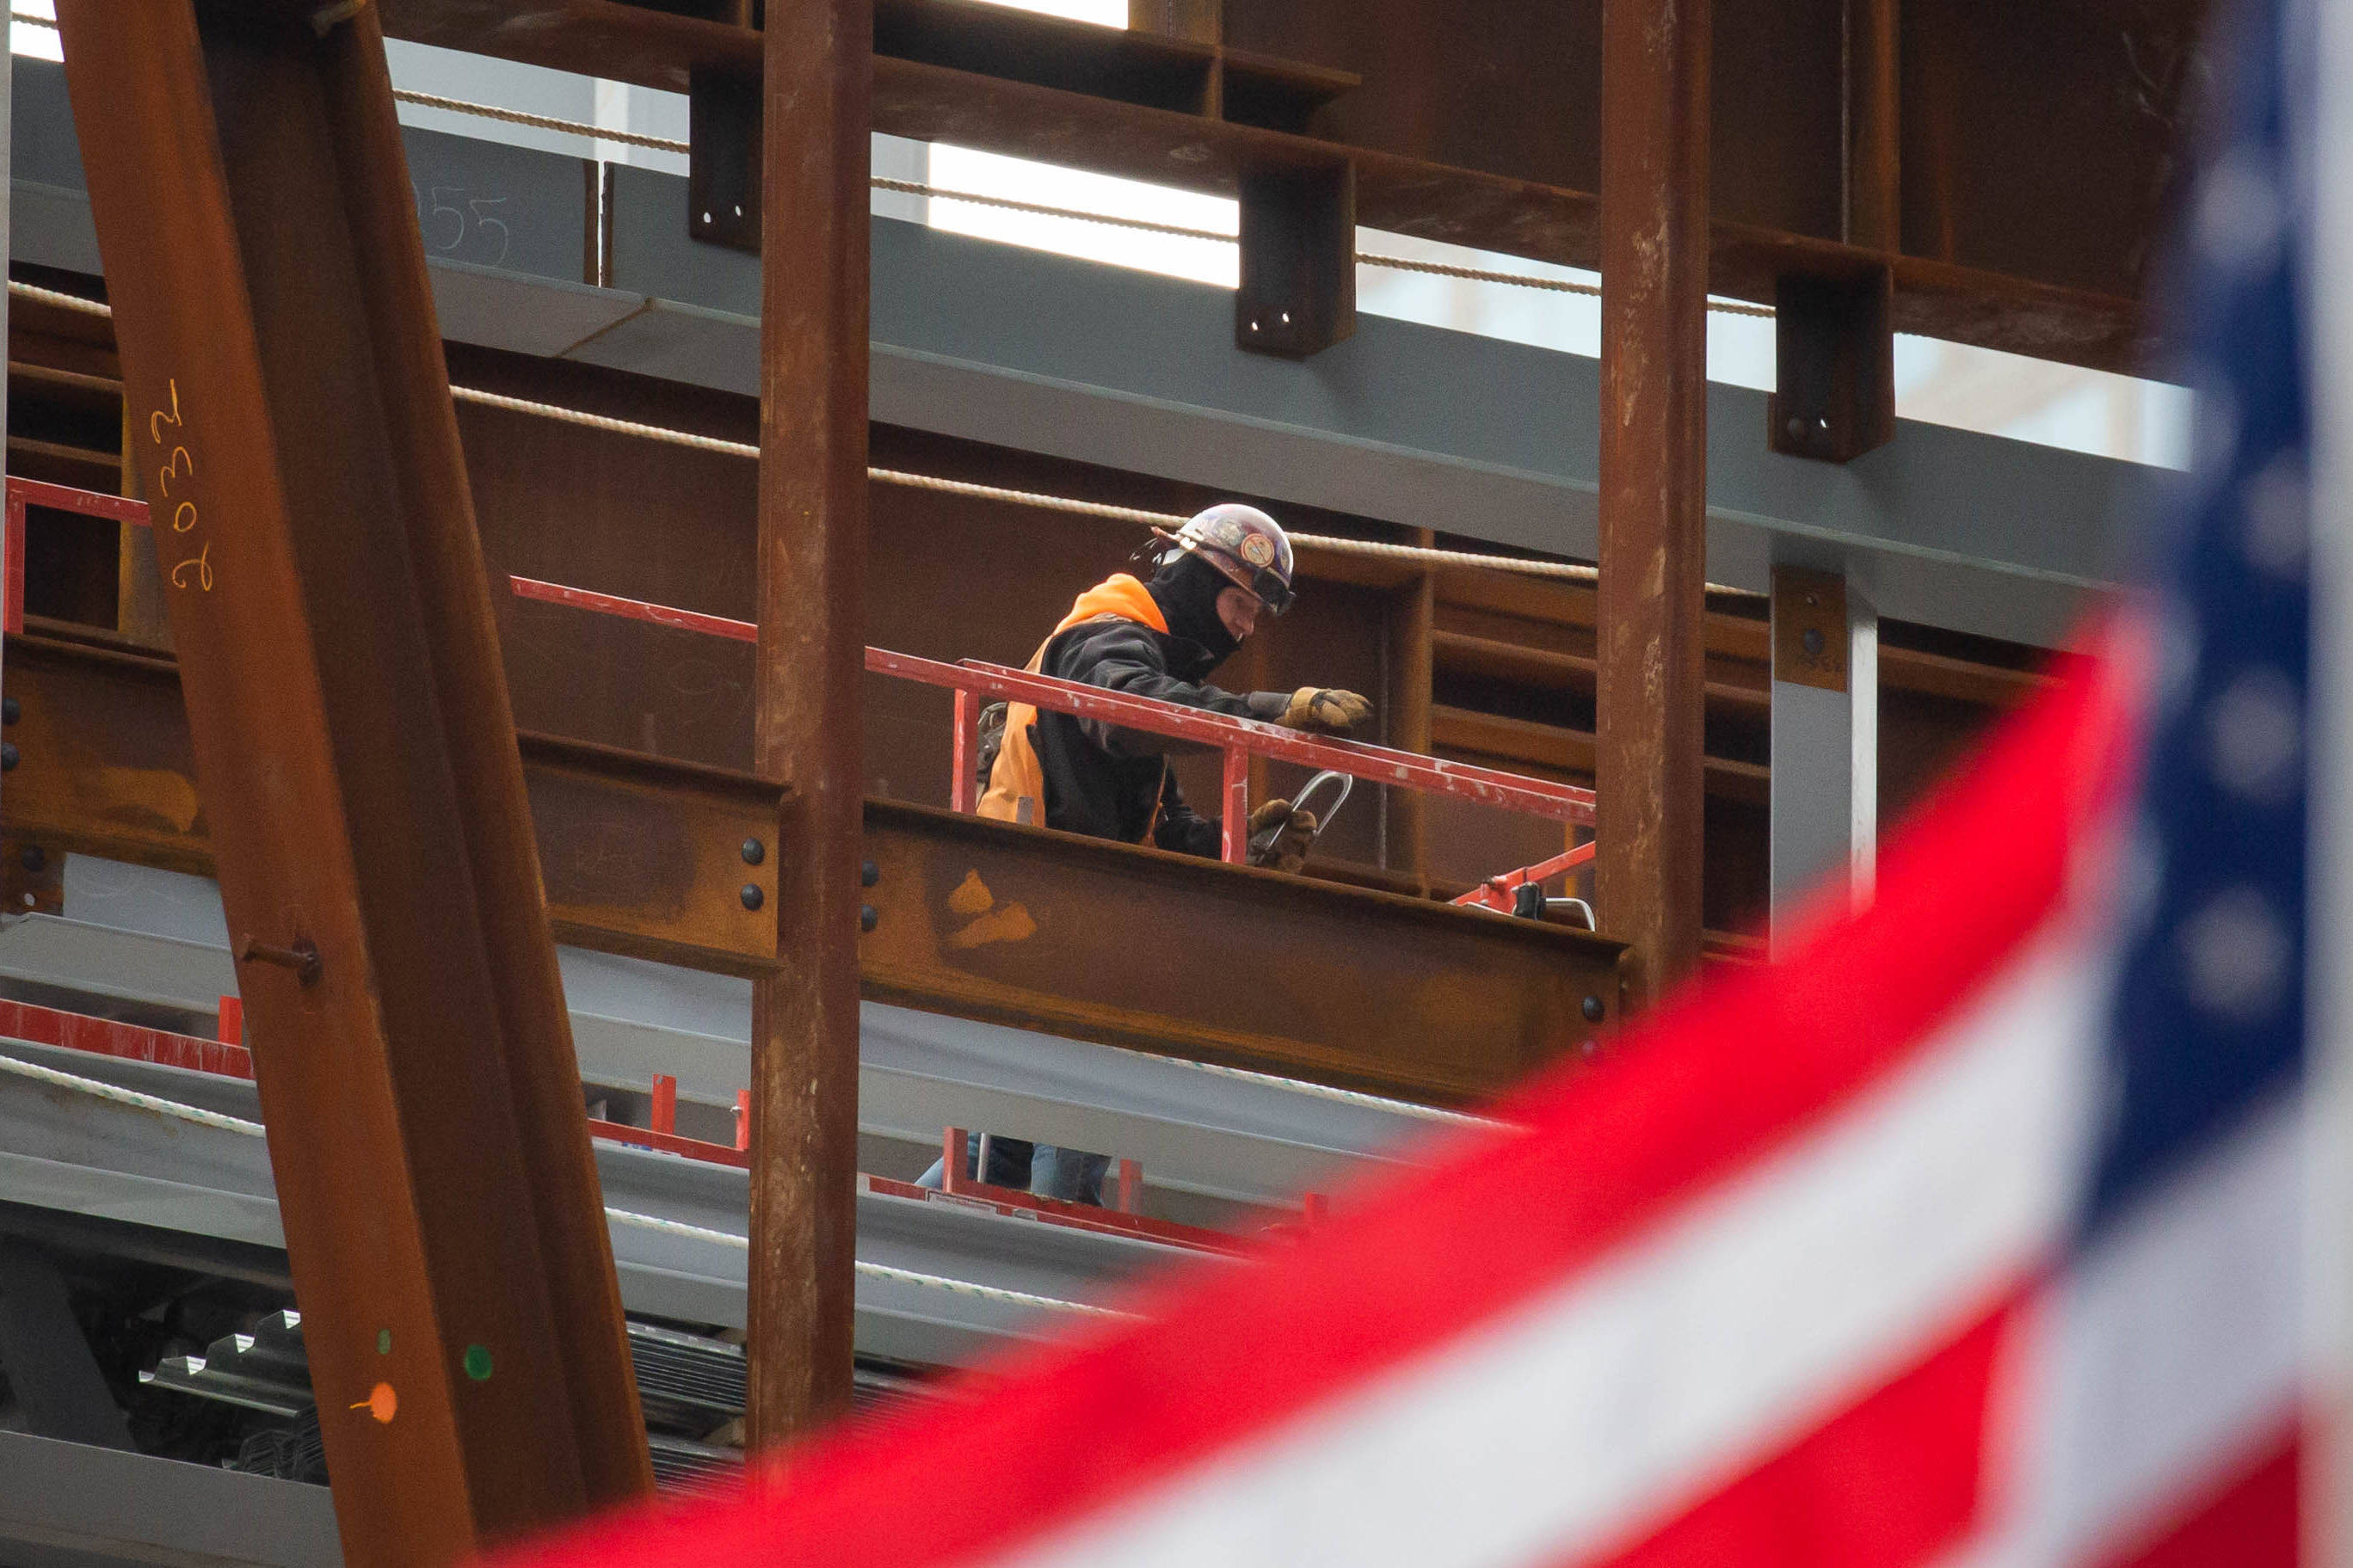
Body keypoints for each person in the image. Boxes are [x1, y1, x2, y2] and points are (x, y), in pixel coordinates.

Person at [917, 502, 1373, 1206]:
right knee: (1071, 1123)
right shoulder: (1103, 635)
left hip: (1039, 918)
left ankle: (901, 1230)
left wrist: (1240, 846)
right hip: (1042, 917)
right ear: (1193, 582)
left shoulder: (1131, 652)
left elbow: (1156, 824)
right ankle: (1048, 1264)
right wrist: (1266, 712)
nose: (1245, 628)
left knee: (991, 1146)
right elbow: (1126, 712)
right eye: (1238, 602)